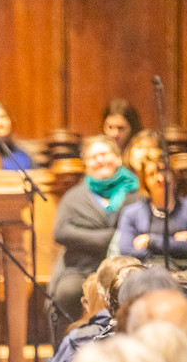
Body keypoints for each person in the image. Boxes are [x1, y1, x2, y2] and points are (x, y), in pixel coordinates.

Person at [48, 135, 140, 343]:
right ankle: (65, 355)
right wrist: (109, 237)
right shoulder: (74, 196)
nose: (99, 160)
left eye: (105, 154)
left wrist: (87, 234)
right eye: (93, 157)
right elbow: (62, 232)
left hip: (124, 268)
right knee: (66, 292)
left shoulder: (136, 192)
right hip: (81, 269)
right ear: (86, 164)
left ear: (118, 158)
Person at [113, 150, 187, 267]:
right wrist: (175, 245)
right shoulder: (131, 213)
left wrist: (150, 241)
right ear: (144, 182)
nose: (160, 178)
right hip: (144, 275)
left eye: (163, 171)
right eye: (152, 174)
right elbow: (126, 251)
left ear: (173, 175)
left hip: (185, 277)